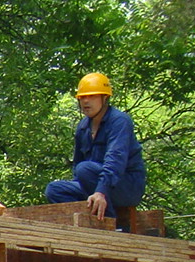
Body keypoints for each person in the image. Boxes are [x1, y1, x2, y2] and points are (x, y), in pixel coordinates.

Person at [44, 72, 147, 232]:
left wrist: (101, 191)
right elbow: (77, 165)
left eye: (92, 96)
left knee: (85, 169)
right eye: (82, 97)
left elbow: (115, 161)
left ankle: (113, 226)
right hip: (93, 183)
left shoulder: (119, 121)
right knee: (55, 189)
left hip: (126, 186)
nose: (86, 101)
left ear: (104, 98)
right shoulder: (83, 127)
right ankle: (85, 228)